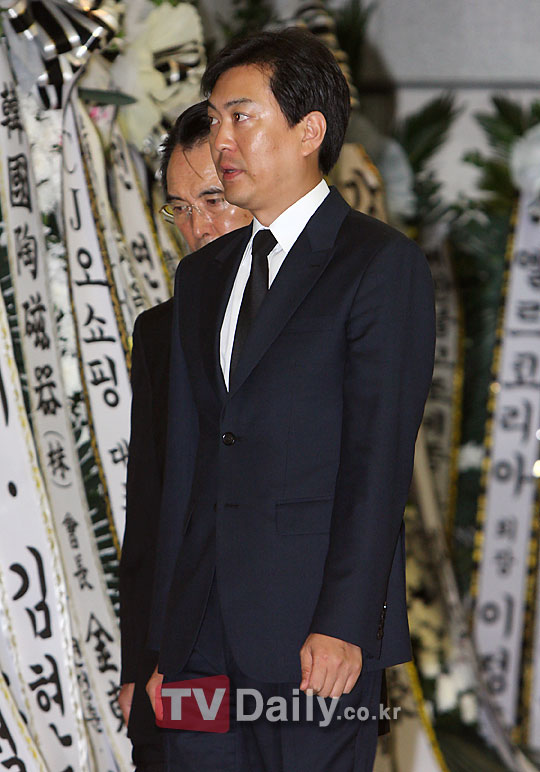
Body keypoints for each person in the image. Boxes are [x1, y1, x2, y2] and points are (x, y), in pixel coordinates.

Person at [148, 28, 435, 772]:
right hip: (198, 644)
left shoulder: (378, 265)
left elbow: (378, 466)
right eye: (215, 119)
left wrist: (347, 623)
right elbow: (183, 472)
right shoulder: (202, 277)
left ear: (309, 131)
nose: (221, 141)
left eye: (241, 117)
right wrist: (161, 646)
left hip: (314, 640)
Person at [118, 101, 252, 772]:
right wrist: (137, 664)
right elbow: (149, 505)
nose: (199, 228)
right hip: (187, 649)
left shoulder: (323, 315)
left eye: (214, 201)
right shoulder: (160, 332)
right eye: (180, 209)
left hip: (297, 655)